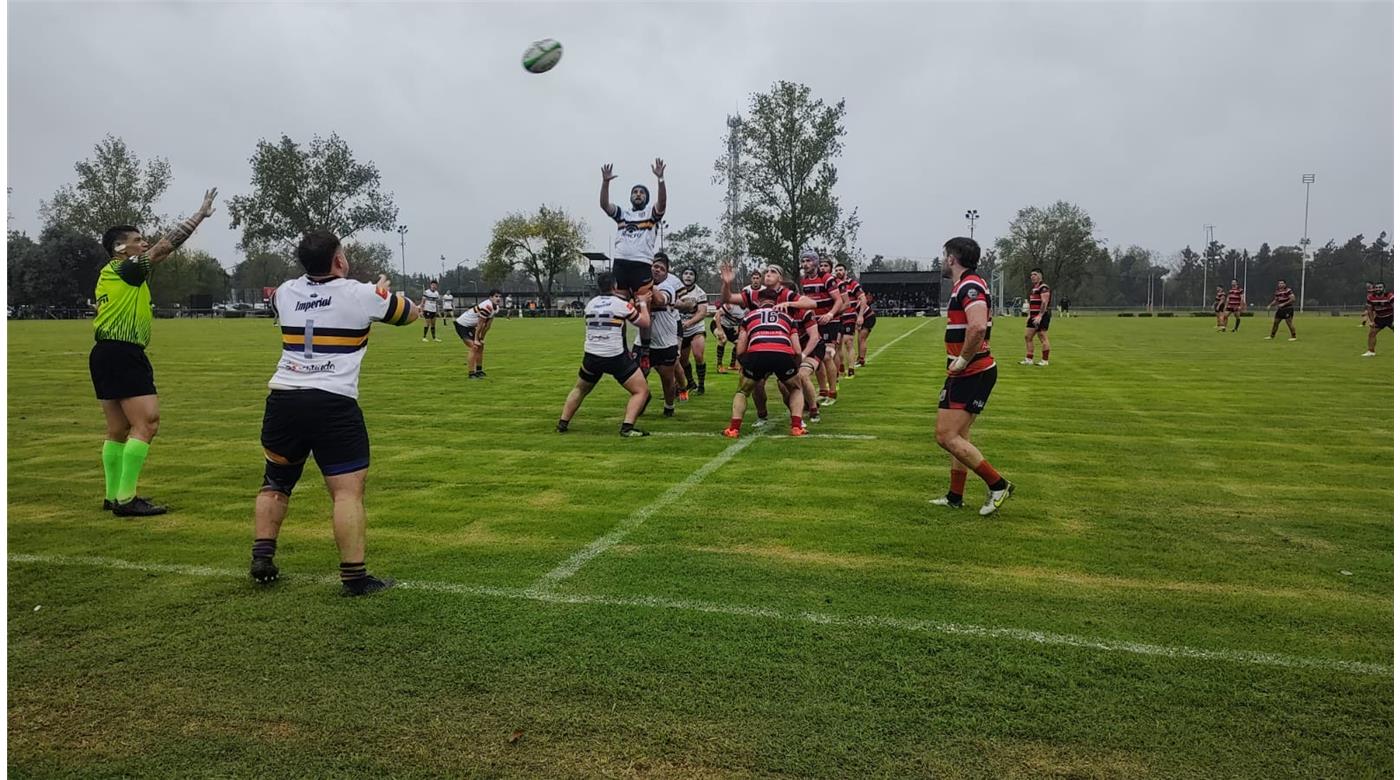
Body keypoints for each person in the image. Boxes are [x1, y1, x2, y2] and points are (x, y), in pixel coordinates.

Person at [249, 229, 419, 595]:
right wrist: (384, 292)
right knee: (346, 493)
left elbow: (276, 306)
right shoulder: (360, 294)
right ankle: (354, 577)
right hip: (333, 400)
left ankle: (263, 553)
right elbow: (411, 316)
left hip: (284, 397)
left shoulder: (284, 292)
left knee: (275, 481)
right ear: (339, 259)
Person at [91, 187, 218, 517]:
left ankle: (112, 495)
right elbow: (165, 247)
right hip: (123, 353)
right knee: (147, 423)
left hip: (105, 353)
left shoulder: (111, 274)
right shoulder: (125, 268)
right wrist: (199, 215)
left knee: (117, 429)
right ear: (120, 248)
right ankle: (126, 499)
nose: (143, 244)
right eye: (137, 240)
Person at [928, 237, 1013, 516]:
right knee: (960, 434)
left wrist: (963, 359)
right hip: (966, 370)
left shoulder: (970, 285)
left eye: (945, 256)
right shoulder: (967, 284)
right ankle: (955, 496)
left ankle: (998, 484)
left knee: (945, 435)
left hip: (971, 371)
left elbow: (977, 327)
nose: (943, 261)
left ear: (952, 258)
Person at [557, 272, 653, 436]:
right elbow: (645, 322)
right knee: (641, 391)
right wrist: (643, 304)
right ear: (615, 286)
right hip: (614, 356)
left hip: (591, 354)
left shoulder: (590, 304)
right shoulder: (620, 304)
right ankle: (627, 428)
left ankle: (562, 423)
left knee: (580, 389)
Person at [599, 158, 666, 363]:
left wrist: (660, 179)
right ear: (630, 197)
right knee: (617, 307)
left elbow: (662, 203)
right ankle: (622, 348)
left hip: (641, 265)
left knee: (644, 306)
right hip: (620, 264)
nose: (638, 194)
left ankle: (645, 351)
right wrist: (606, 182)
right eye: (635, 192)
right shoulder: (623, 214)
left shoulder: (651, 215)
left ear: (646, 198)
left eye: (641, 192)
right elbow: (604, 205)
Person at [723, 290, 808, 438]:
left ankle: (733, 429)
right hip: (783, 353)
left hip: (757, 353)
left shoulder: (749, 316)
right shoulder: (788, 317)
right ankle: (796, 427)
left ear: (757, 301)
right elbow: (797, 349)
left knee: (742, 391)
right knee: (796, 388)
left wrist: (743, 362)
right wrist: (796, 364)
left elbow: (741, 346)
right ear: (776, 301)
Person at [634, 254, 684, 416]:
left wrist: (647, 288)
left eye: (662, 269)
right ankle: (641, 401)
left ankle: (669, 407)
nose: (657, 270)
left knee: (667, 379)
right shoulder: (638, 287)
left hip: (664, 343)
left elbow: (661, 300)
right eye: (655, 266)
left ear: (666, 274)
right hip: (642, 342)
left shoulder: (668, 286)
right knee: (637, 377)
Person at [799, 250, 846, 405]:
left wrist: (831, 314)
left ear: (815, 262)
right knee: (817, 357)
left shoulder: (826, 278)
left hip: (829, 323)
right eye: (803, 261)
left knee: (826, 356)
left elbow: (838, 300)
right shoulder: (804, 280)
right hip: (814, 323)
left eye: (808, 261)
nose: (805, 264)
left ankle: (832, 393)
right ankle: (823, 391)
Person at [675, 267, 709, 398]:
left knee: (698, 355)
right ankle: (690, 383)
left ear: (695, 277)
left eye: (691, 274)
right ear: (681, 276)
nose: (688, 276)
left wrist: (689, 323)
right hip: (681, 329)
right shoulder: (675, 290)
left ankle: (701, 385)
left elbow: (702, 313)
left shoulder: (700, 292)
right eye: (685, 273)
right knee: (682, 361)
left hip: (695, 327)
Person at [455, 290, 503, 377]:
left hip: (471, 326)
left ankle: (479, 370)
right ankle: (471, 373)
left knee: (481, 346)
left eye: (499, 296)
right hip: (462, 324)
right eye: (496, 296)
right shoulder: (487, 306)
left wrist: (481, 338)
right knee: (474, 346)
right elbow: (480, 324)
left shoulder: (496, 308)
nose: (498, 298)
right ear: (490, 297)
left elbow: (487, 326)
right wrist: (476, 339)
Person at [833, 263, 865, 378]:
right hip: (837, 317)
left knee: (848, 342)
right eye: (836, 270)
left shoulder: (853, 284)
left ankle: (851, 369)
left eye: (840, 270)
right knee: (837, 344)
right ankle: (840, 367)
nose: (838, 272)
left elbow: (863, 298)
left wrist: (860, 315)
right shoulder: (834, 284)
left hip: (849, 316)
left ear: (845, 271)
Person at [1020, 268, 1051, 366]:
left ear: (1040, 275)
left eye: (1035, 274)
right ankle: (1029, 359)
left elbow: (1044, 302)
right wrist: (1029, 314)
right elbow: (1032, 303)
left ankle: (1045, 360)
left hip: (1041, 316)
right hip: (1033, 316)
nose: (1032, 276)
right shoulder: (1034, 289)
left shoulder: (1043, 287)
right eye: (1031, 275)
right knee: (1027, 336)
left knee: (1042, 336)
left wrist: (1040, 316)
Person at [710, 298, 745, 373]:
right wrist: (719, 330)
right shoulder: (731, 306)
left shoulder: (748, 309)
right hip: (716, 324)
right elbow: (717, 315)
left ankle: (732, 365)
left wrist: (738, 330)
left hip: (729, 327)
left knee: (738, 343)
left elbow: (742, 322)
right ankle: (719, 365)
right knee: (723, 339)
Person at [1363, 282, 1393, 357]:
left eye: (1380, 287)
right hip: (1379, 318)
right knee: (1372, 333)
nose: (1378, 289)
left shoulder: (1389, 296)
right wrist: (1372, 321)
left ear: (1384, 289)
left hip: (1391, 316)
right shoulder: (1370, 297)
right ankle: (1371, 351)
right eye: (1376, 287)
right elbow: (1370, 310)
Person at [857, 289, 877, 367]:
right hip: (866, 317)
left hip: (869, 318)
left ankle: (861, 359)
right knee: (859, 338)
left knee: (862, 338)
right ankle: (860, 358)